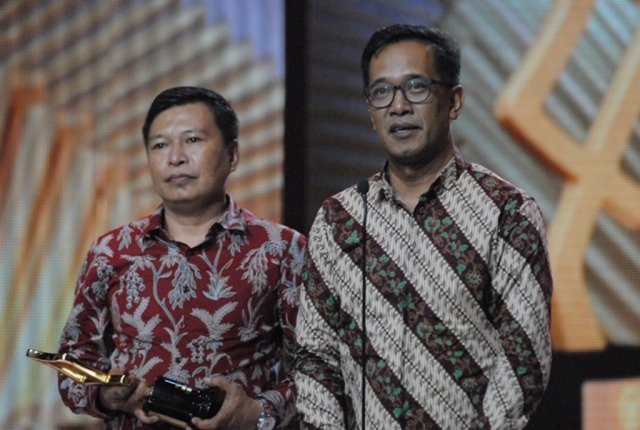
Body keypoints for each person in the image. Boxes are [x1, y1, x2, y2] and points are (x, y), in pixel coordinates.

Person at [294, 24, 553, 429]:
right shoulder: (338, 221)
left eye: (416, 87)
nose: (398, 106)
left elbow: (523, 360)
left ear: (454, 101)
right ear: (370, 111)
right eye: (382, 91)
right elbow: (316, 357)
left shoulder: (508, 213)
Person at [57, 86, 306, 430]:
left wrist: (257, 411)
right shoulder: (111, 251)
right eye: (160, 145)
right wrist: (105, 395)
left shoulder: (282, 249)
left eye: (192, 140)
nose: (175, 158)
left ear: (233, 155)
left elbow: (317, 370)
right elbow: (73, 362)